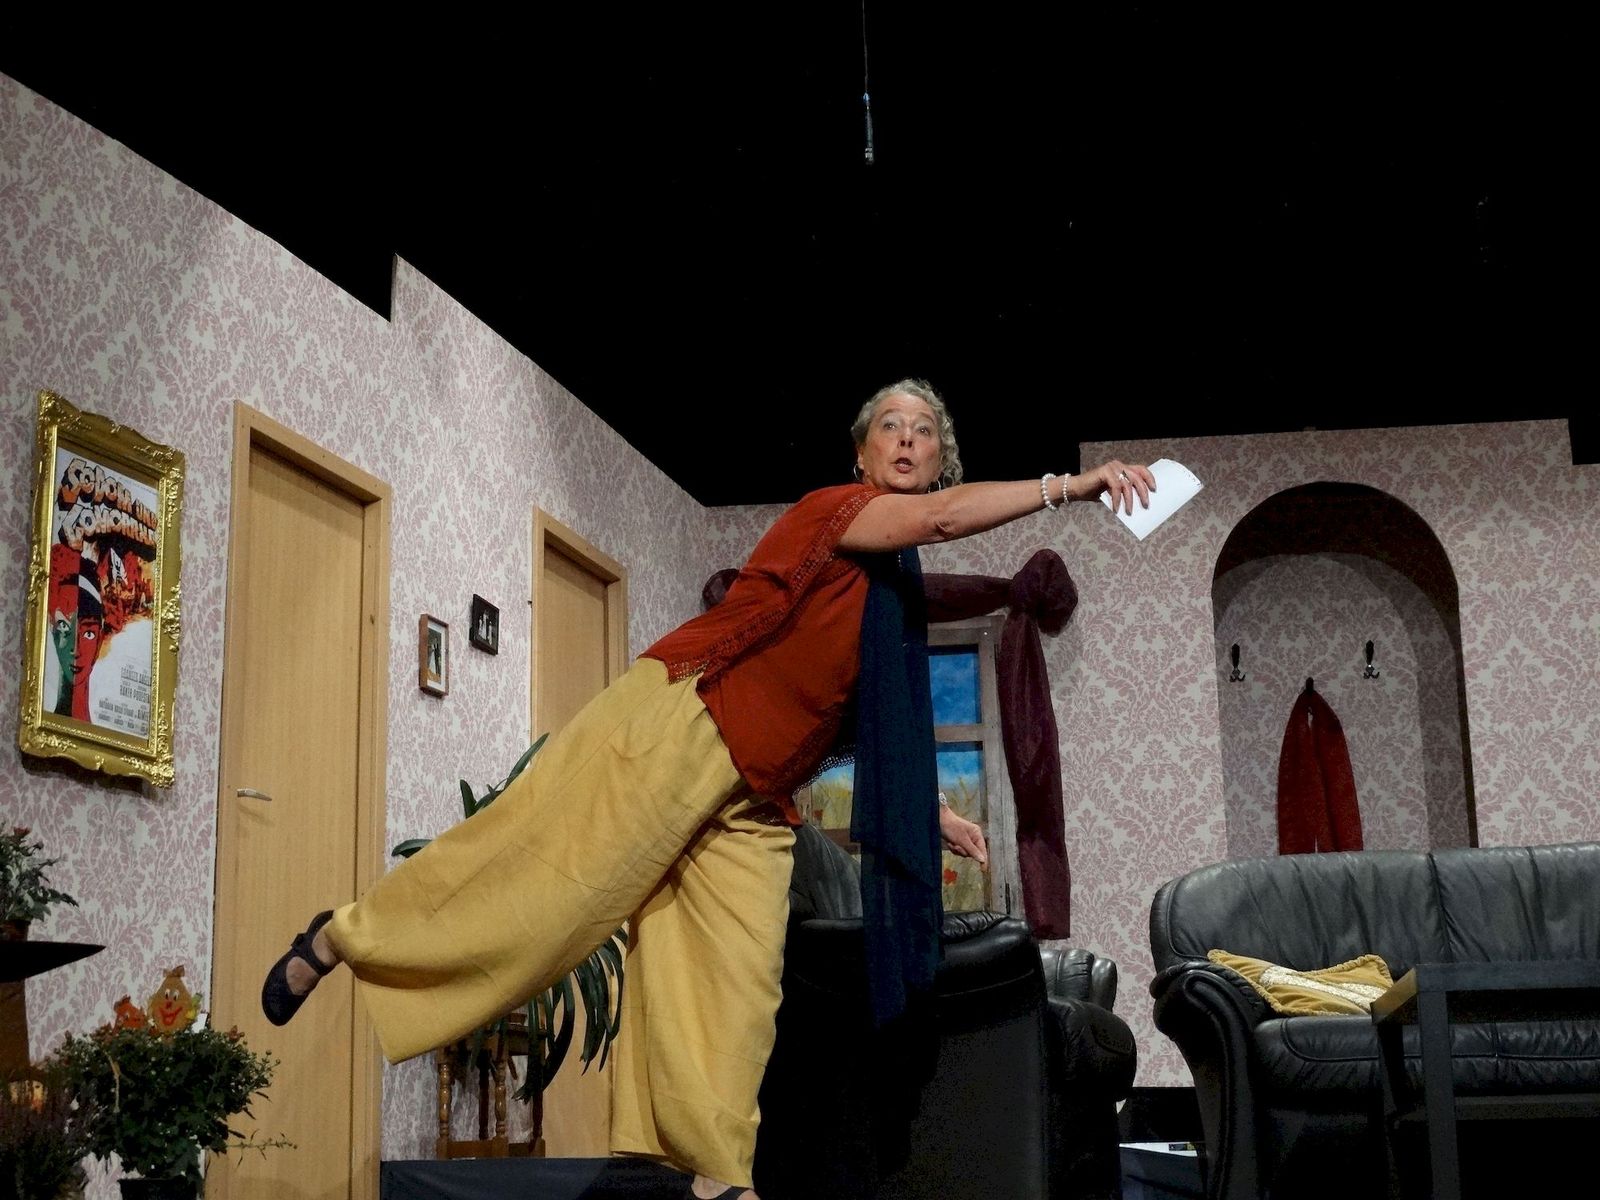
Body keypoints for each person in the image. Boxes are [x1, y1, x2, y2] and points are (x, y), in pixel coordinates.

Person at [261, 379, 1153, 1200]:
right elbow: (943, 519)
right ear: (863, 454)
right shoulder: (838, 511)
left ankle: (714, 1174)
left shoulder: (892, 592)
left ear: (938, 456)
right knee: (547, 889)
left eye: (925, 432)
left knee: (739, 984)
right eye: (892, 427)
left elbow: (853, 723)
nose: (909, 440)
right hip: (688, 723)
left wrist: (932, 812)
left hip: (755, 796)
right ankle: (342, 936)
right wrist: (1070, 486)